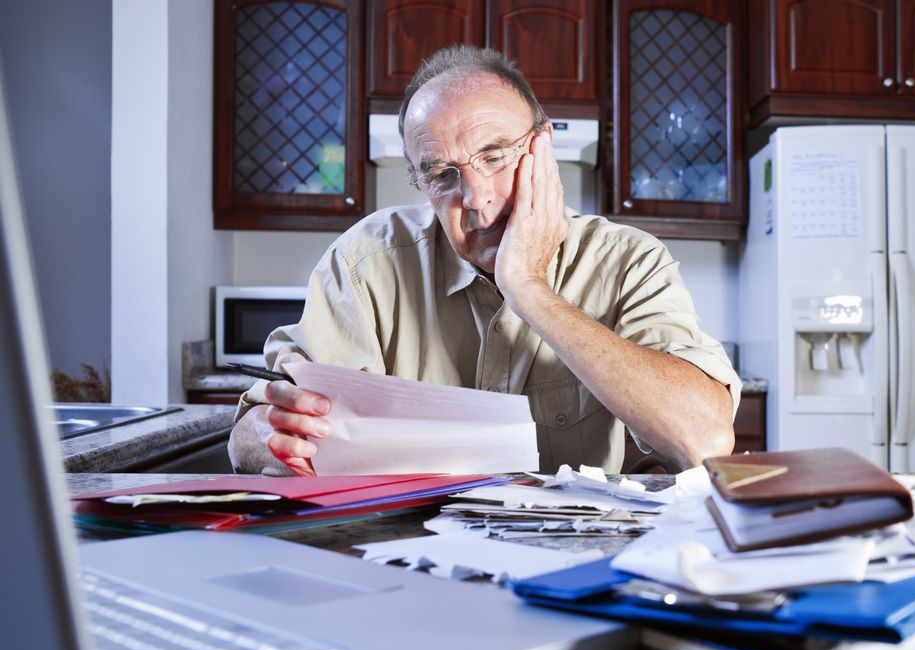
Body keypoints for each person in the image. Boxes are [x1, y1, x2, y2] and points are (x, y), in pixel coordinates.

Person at [228, 45, 740, 476]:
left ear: (543, 149)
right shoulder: (366, 261)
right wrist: (268, 436)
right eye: (442, 175)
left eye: (495, 156)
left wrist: (529, 287)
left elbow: (705, 442)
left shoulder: (630, 261)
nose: (476, 197)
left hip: (566, 555)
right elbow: (251, 436)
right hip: (410, 548)